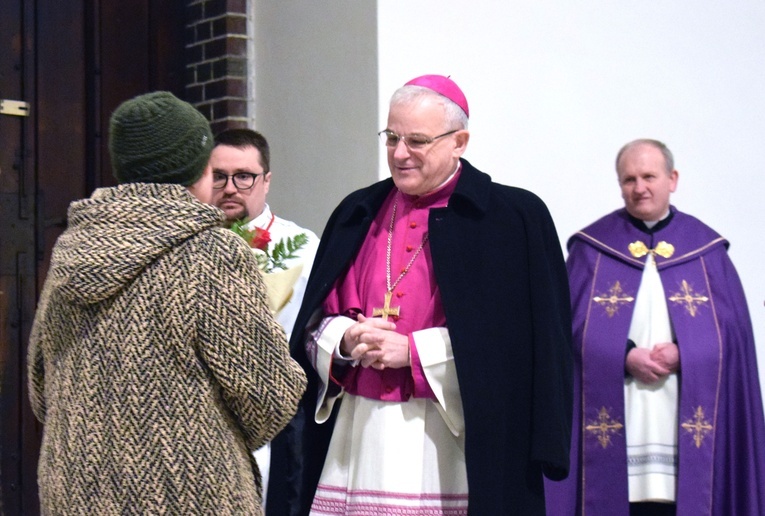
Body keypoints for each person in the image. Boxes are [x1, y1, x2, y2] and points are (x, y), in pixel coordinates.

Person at [268, 74, 573, 515]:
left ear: (459, 141)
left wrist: (413, 352)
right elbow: (314, 323)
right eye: (391, 137)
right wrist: (347, 339)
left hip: (457, 442)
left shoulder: (513, 219)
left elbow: (525, 346)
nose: (398, 154)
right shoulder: (358, 211)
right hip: (360, 435)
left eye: (416, 141)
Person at [27, 91, 307, 514]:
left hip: (74, 491)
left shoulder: (73, 247)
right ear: (198, 169)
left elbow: (40, 388)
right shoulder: (209, 252)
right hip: (188, 493)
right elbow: (268, 397)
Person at [545, 139, 765, 515]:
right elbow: (565, 330)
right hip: (620, 414)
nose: (639, 187)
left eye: (649, 176)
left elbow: (733, 335)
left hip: (682, 416)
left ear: (672, 179)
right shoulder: (592, 250)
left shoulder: (706, 251)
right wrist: (624, 355)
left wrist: (688, 351)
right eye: (629, 179)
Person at [209, 127, 319, 508]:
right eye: (218, 176)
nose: (230, 187)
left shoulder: (304, 248)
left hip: (278, 415)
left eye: (244, 176)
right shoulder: (188, 248)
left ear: (266, 181)